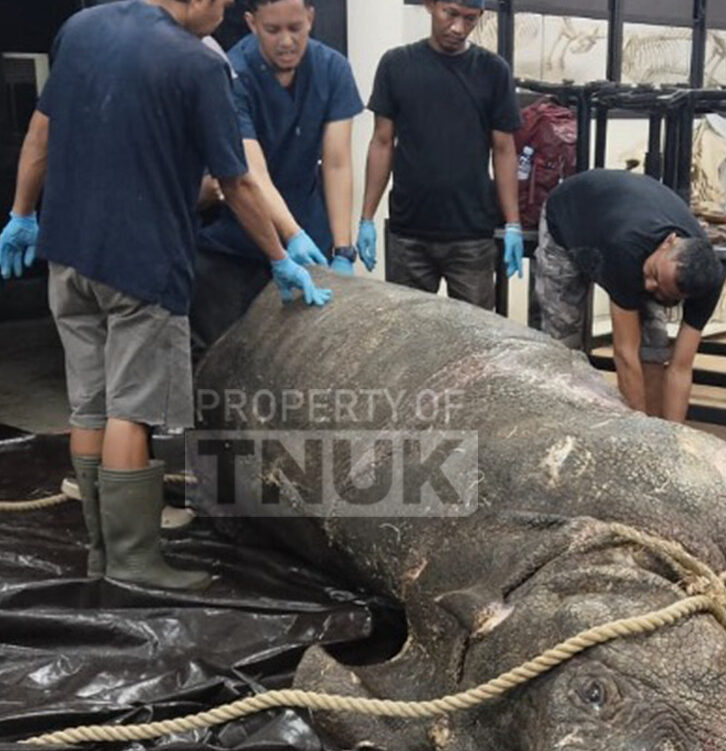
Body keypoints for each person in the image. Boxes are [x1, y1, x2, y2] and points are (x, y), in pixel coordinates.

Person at [0, 0, 330, 591]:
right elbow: (235, 181)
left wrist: (21, 212)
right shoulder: (195, 65)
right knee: (133, 408)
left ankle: (101, 552)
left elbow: (42, 130)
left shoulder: (82, 28)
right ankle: (133, 561)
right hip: (140, 266)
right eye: (224, 1)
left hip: (67, 256)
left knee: (89, 405)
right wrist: (280, 256)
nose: (227, 11)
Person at [357, 0, 523, 310]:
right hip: (409, 232)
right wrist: (366, 217)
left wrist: (513, 223)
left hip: (471, 233)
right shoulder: (397, 65)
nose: (458, 28)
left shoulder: (493, 71)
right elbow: (381, 142)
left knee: (476, 340)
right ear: (431, 5)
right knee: (408, 336)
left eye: (470, 19)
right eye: (451, 14)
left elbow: (504, 150)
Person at [534, 169, 725, 423]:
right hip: (570, 214)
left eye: (660, 290)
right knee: (564, 345)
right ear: (669, 241)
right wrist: (637, 436)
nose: (648, 285)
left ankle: (659, 431)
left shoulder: (708, 282)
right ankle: (563, 427)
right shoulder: (624, 248)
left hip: (623, 224)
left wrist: (673, 436)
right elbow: (625, 354)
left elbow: (680, 368)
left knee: (654, 346)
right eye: (654, 274)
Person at [197, 0, 365, 277]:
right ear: (252, 23)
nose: (286, 41)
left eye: (295, 28)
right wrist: (292, 235)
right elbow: (252, 172)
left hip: (309, 235)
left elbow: (336, 164)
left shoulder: (333, 69)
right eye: (273, 30)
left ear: (310, 18)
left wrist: (342, 249)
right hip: (235, 247)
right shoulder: (231, 75)